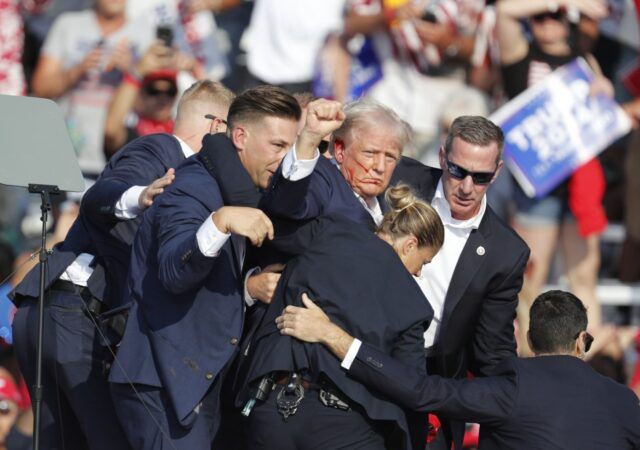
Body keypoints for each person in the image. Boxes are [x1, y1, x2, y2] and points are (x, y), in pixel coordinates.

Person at [10, 79, 252, 450]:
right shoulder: (160, 150)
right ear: (217, 126)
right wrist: (140, 195)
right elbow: (100, 197)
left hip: (58, 315)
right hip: (74, 317)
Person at [108, 86, 344, 449]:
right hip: (164, 384)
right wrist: (218, 224)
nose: (282, 159)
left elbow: (287, 203)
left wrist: (310, 140)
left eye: (289, 148)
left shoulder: (242, 185)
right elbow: (174, 271)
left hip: (197, 384)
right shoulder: (191, 187)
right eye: (277, 146)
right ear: (239, 136)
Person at [276, 289, 640, 450]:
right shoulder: (624, 401)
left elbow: (420, 391)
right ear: (581, 340)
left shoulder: (513, 386)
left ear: (529, 340)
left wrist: (332, 335)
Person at [238, 184, 443, 450]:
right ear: (410, 244)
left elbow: (272, 230)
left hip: (270, 410)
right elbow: (409, 385)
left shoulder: (329, 230)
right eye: (424, 263)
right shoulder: (413, 303)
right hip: (346, 429)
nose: (418, 274)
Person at [389, 115, 530, 448]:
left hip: (429, 381)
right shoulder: (397, 177)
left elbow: (492, 351)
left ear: (497, 173)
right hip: (365, 355)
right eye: (458, 171)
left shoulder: (506, 252)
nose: (467, 187)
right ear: (442, 158)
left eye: (481, 178)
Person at [496, 0, 610, 353]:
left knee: (583, 278)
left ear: (570, 23)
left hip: (579, 185)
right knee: (532, 280)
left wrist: (602, 90)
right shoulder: (520, 53)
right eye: (540, 16)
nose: (547, 22)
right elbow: (503, 11)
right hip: (537, 187)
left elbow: (601, 111)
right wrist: (561, 2)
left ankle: (586, 369)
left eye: (556, 17)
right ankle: (532, 364)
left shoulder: (583, 59)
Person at [30, 0, 146, 179]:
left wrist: (132, 72)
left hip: (120, 160)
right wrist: (78, 70)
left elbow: (158, 102)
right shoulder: (68, 24)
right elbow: (40, 88)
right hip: (65, 157)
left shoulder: (145, 31)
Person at [261, 98, 412, 231]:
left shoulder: (392, 202)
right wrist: (310, 137)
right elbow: (286, 205)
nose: (380, 167)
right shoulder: (321, 178)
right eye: (370, 153)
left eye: (390, 157)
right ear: (340, 150)